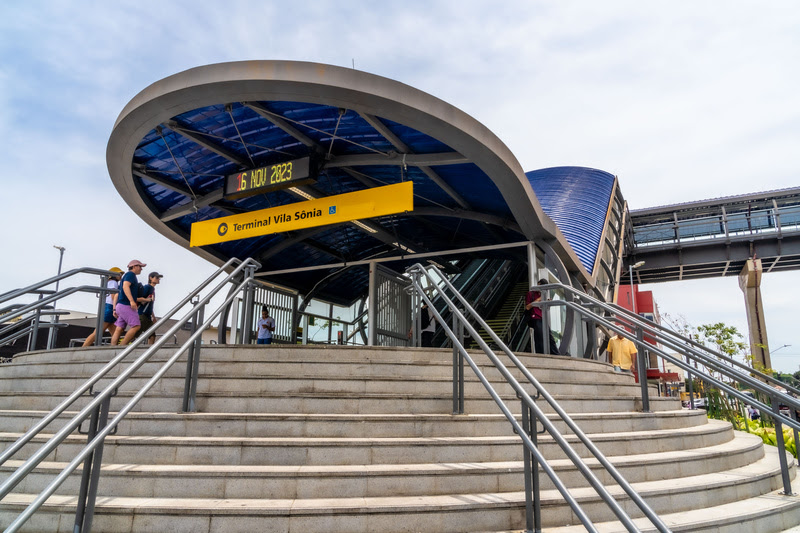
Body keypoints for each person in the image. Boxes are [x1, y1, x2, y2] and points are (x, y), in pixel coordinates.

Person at [82, 267, 123, 347]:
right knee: (98, 332)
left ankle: (115, 350)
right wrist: (116, 307)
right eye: (119, 273)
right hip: (110, 308)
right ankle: (82, 349)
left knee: (115, 333)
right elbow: (113, 295)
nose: (121, 275)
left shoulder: (109, 282)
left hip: (107, 307)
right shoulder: (113, 282)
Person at [110, 259, 147, 346]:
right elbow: (126, 286)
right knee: (136, 326)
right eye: (140, 266)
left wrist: (115, 308)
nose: (141, 269)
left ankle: (112, 348)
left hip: (120, 305)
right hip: (126, 305)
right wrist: (131, 301)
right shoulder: (131, 275)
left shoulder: (127, 276)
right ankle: (122, 347)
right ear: (134, 267)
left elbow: (118, 293)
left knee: (119, 328)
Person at [525, 279, 560, 355]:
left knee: (549, 337)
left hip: (542, 318)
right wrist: (538, 300)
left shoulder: (542, 295)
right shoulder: (531, 294)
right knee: (539, 337)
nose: (543, 290)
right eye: (542, 287)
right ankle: (540, 354)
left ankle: (556, 354)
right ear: (538, 284)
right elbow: (527, 307)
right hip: (535, 317)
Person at [135, 271, 162, 344]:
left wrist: (153, 317)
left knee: (152, 335)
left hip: (148, 316)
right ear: (151, 278)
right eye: (157, 277)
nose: (158, 279)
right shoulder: (147, 287)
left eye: (159, 278)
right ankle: (125, 345)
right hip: (142, 314)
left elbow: (150, 305)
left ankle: (149, 351)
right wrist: (148, 299)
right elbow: (137, 298)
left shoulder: (152, 289)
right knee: (135, 334)